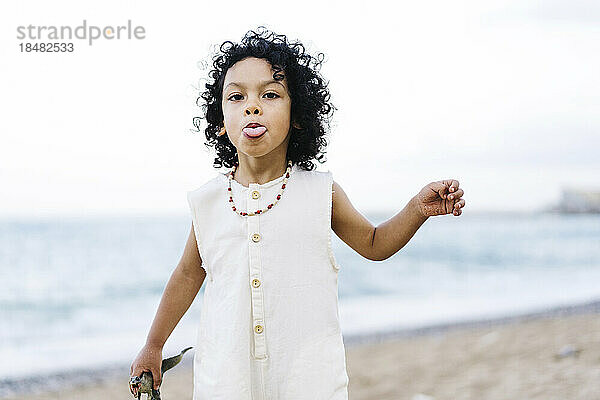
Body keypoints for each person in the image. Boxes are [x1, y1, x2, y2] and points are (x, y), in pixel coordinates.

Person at [130, 26, 465, 400]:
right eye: (237, 97)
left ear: (298, 116)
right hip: (225, 378)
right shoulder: (208, 202)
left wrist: (417, 208)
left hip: (308, 378)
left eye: (270, 94)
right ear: (222, 121)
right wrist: (153, 344)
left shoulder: (320, 192)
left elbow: (374, 243)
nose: (252, 106)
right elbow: (188, 274)